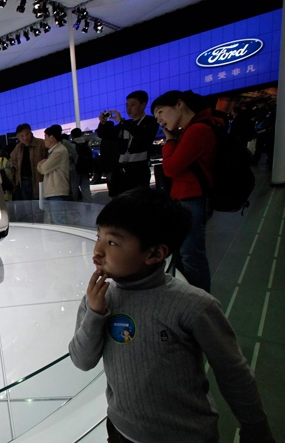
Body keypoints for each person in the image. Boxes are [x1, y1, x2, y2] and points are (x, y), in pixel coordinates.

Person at [69, 187, 274, 443]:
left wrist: (255, 426)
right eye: (98, 236)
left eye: (112, 242)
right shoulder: (100, 298)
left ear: (155, 253)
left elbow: (232, 371)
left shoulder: (193, 305)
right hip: (121, 431)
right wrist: (95, 313)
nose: (97, 250)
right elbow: (81, 360)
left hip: (185, 435)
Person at [151, 90, 216, 293]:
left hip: (192, 199)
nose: (159, 120)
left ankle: (200, 304)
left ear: (179, 104)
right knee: (182, 252)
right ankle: (186, 297)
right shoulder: (189, 131)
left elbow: (171, 168)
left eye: (161, 112)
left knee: (191, 254)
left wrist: (170, 141)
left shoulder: (197, 130)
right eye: (156, 117)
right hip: (185, 199)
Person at [96, 90, 159, 197]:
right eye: (127, 105)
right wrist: (103, 122)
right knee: (119, 202)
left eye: (132, 105)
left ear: (143, 105)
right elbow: (104, 134)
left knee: (138, 202)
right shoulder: (126, 124)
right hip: (120, 171)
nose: (128, 109)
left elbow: (142, 137)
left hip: (138, 172)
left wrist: (122, 122)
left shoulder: (151, 121)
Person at [9, 123, 46, 201]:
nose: (25, 138)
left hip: (38, 179)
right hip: (23, 181)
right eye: (22, 136)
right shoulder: (18, 147)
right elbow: (12, 159)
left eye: (27, 134)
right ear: (18, 137)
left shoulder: (41, 143)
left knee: (38, 203)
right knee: (26, 205)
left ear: (31, 132)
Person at [70, 128, 93, 202]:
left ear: (72, 135)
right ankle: (89, 204)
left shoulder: (72, 145)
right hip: (85, 169)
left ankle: (75, 205)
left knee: (74, 188)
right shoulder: (86, 144)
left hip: (75, 169)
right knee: (86, 188)